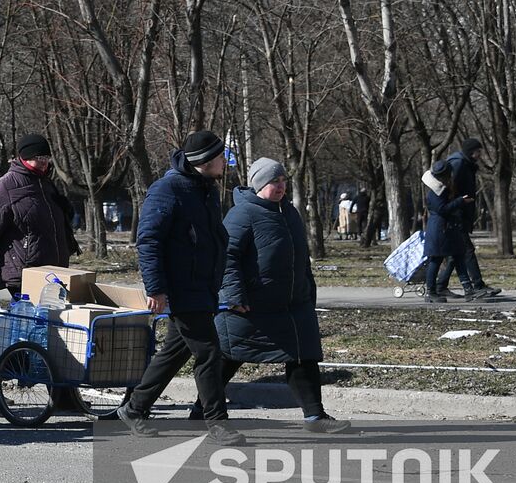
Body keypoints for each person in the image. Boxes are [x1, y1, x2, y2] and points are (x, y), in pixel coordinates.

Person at [114, 130, 244, 447]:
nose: (226, 163)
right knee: (209, 353)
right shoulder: (168, 189)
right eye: (221, 157)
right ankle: (217, 423)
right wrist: (156, 288)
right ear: (205, 160)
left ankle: (134, 408)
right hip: (181, 287)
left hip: (202, 286)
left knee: (175, 352)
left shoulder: (206, 188)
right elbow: (149, 241)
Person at [212, 158, 349, 433]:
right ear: (260, 184)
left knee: (303, 355)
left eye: (283, 180)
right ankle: (203, 409)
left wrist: (308, 289)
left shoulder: (289, 212)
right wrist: (234, 296)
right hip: (251, 306)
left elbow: (301, 256)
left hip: (294, 305)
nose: (281, 186)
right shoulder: (242, 214)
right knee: (230, 356)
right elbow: (227, 258)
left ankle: (315, 417)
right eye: (274, 181)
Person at [0, 133, 81, 399]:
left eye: (47, 158)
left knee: (50, 332)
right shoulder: (6, 187)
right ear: (23, 157)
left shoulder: (45, 184)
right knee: (36, 332)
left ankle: (59, 394)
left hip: (53, 274)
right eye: (38, 158)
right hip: (23, 273)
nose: (44, 163)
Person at [445, 138, 502, 299]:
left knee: (456, 253)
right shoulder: (459, 164)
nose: (480, 155)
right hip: (456, 215)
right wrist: (457, 206)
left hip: (460, 213)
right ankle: (477, 285)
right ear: (471, 152)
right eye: (478, 151)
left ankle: (440, 285)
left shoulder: (466, 164)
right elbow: (450, 190)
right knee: (467, 251)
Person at [421, 159, 471, 303]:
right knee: (435, 260)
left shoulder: (441, 188)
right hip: (439, 230)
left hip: (446, 229)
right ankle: (430, 292)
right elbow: (442, 209)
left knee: (458, 256)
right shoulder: (435, 192)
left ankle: (468, 289)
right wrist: (460, 201)